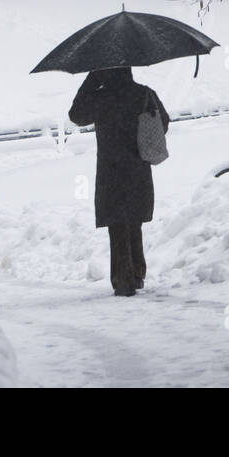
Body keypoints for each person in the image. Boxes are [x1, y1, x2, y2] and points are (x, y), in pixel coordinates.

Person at [68, 66, 169, 296]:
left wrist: (92, 78)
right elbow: (163, 122)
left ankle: (123, 279)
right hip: (138, 168)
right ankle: (137, 274)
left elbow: (76, 115)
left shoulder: (101, 98)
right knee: (134, 222)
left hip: (111, 170)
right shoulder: (144, 94)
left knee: (117, 225)